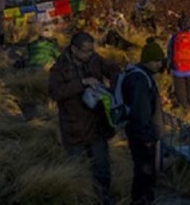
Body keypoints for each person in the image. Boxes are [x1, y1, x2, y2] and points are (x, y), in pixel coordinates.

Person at [48, 32, 123, 204]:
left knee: (102, 168)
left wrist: (117, 79)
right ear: (74, 49)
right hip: (75, 128)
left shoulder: (94, 58)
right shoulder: (60, 68)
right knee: (75, 169)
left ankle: (104, 198)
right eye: (86, 51)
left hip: (98, 125)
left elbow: (110, 68)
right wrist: (82, 83)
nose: (90, 54)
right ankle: (78, 198)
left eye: (92, 50)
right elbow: (55, 93)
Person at [122, 38, 166, 205]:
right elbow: (140, 112)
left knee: (143, 170)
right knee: (144, 171)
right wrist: (147, 137)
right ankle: (141, 200)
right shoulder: (140, 80)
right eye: (157, 61)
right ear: (149, 61)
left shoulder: (137, 74)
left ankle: (142, 198)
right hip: (142, 134)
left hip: (138, 131)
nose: (160, 64)